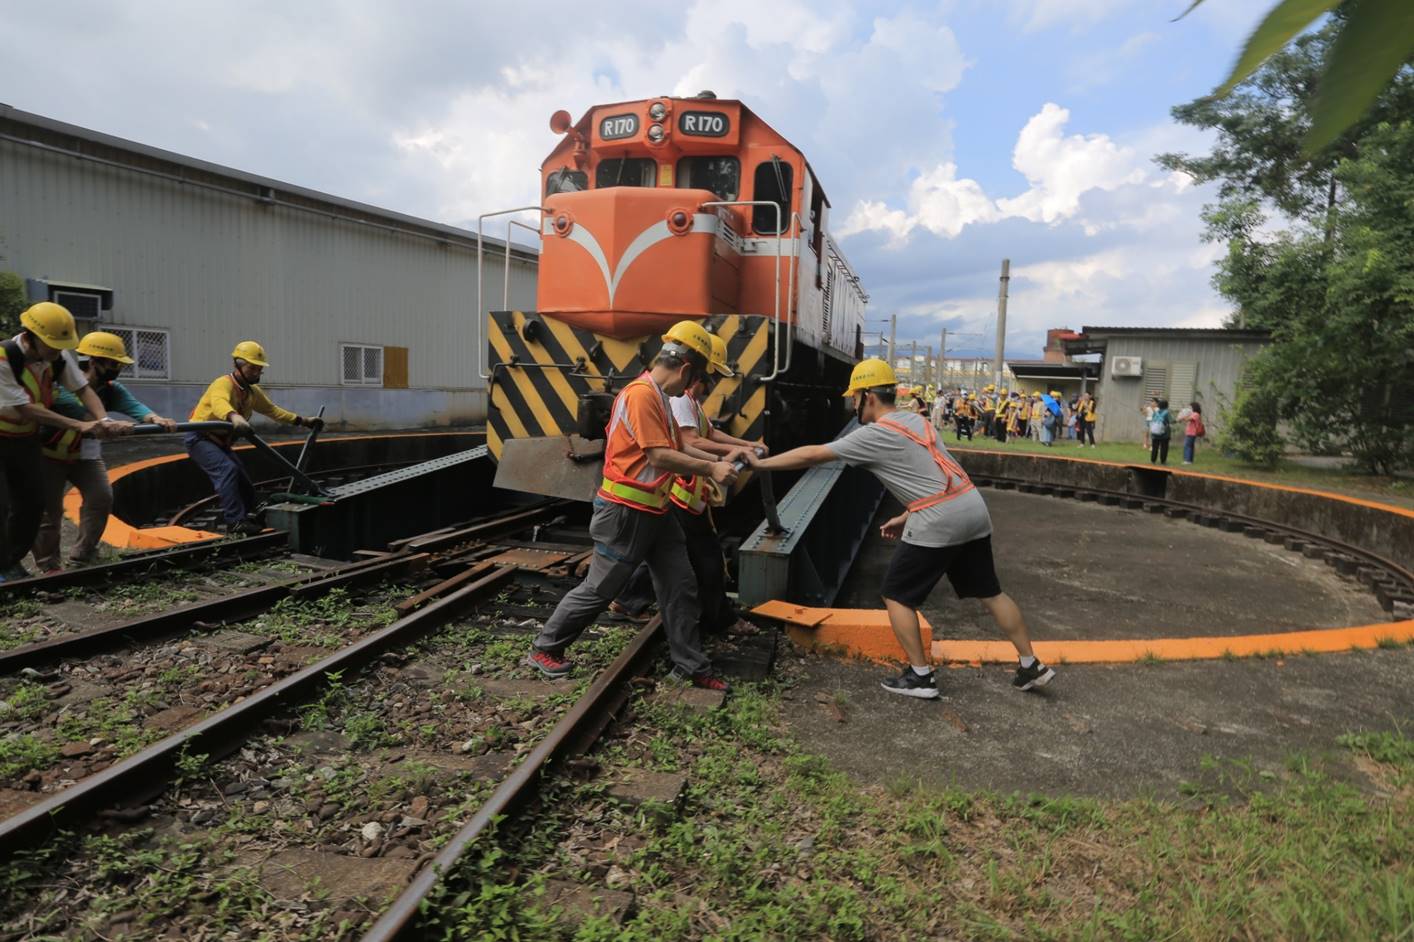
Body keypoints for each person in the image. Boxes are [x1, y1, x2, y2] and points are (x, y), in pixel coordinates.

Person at [746, 358, 1055, 699]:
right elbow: (939, 475)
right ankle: (1031, 664)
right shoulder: (916, 421)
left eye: (855, 396)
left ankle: (921, 676)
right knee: (991, 592)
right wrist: (907, 514)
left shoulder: (874, 434)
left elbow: (815, 454)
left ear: (868, 397)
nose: (852, 403)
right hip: (971, 507)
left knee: (897, 595)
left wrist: (762, 464)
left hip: (939, 518)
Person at [528, 321, 746, 690]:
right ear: (687, 369)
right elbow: (660, 456)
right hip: (626, 512)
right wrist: (713, 467)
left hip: (656, 513)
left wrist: (727, 452)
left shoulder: (661, 397)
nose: (692, 389)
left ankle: (690, 666)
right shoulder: (642, 396)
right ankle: (545, 648)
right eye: (696, 379)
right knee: (601, 588)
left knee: (680, 585)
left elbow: (681, 446)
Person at [32, 332, 179, 572]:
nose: (117, 368)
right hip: (49, 455)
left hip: (85, 456)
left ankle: (83, 553)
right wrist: (108, 424)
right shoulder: (63, 386)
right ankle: (49, 566)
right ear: (93, 362)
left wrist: (155, 418)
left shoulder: (111, 389)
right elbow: (81, 414)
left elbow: (134, 406)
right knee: (50, 512)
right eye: (113, 363)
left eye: (119, 364)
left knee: (101, 497)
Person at [1, 303, 126, 580]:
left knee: (32, 505)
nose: (57, 350)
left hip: (24, 439)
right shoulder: (4, 357)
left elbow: (82, 390)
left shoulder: (57, 356)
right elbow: (25, 408)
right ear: (30, 336)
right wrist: (80, 425)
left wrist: (103, 422)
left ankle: (11, 561)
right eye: (52, 344)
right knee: (3, 505)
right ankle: (6, 567)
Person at [186, 341, 324, 534]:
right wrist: (234, 417)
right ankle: (235, 522)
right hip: (200, 438)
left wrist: (303, 421)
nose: (256, 373)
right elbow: (219, 403)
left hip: (221, 442)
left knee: (241, 475)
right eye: (252, 368)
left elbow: (273, 411)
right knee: (227, 470)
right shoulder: (223, 384)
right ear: (238, 364)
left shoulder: (252, 392)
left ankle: (255, 511)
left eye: (259, 369)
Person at [1148, 398, 1172, 465]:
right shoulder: (1167, 413)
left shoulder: (1155, 413)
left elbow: (1152, 420)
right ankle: (1163, 461)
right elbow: (1171, 421)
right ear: (1167, 405)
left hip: (1155, 433)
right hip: (1165, 433)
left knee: (1155, 447)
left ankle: (1153, 460)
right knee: (1164, 447)